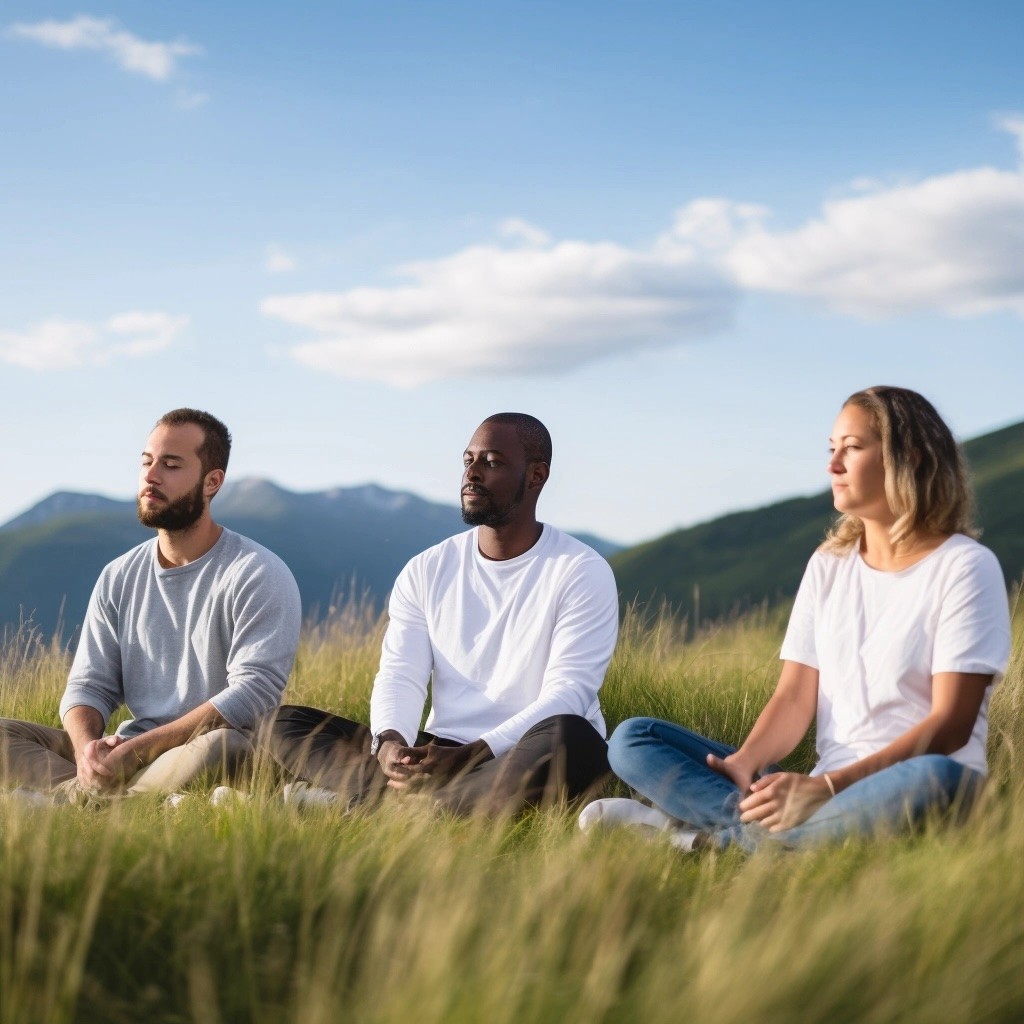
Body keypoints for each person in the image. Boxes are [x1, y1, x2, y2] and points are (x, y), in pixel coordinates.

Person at [581, 386, 1011, 851]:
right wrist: (744, 763)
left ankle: (696, 842)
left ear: (908, 458)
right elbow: (793, 697)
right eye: (831, 450)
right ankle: (759, 836)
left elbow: (951, 725)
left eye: (852, 448)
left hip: (913, 781)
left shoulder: (964, 566)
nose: (833, 466)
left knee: (935, 778)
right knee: (632, 739)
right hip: (821, 791)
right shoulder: (830, 564)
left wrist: (826, 788)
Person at [270, 412, 618, 816]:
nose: (472, 474)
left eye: (492, 462)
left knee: (573, 739)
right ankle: (423, 804)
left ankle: (382, 807)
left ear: (536, 476)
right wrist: (390, 743)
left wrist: (475, 754)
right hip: (438, 750)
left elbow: (569, 694)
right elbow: (401, 673)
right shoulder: (427, 568)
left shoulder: (579, 569)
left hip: (516, 751)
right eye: (468, 460)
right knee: (282, 723)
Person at [0, 408, 302, 803]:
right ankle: (98, 796)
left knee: (223, 746)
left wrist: (139, 751)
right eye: (146, 462)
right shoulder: (119, 575)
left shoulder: (257, 572)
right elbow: (88, 686)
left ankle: (73, 800)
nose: (151, 476)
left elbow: (253, 691)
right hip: (126, 749)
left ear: (212, 482)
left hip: (196, 749)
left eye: (171, 465)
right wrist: (88, 751)